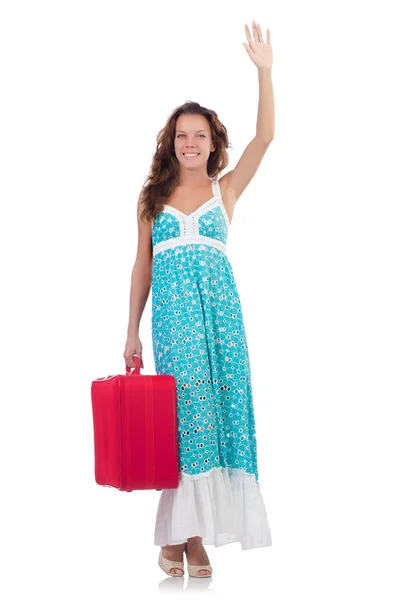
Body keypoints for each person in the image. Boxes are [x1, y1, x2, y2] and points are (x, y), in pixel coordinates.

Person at [123, 21, 274, 578]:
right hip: (175, 322)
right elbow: (142, 266)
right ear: (172, 141)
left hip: (223, 321)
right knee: (186, 424)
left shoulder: (224, 190)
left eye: (200, 136)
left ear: (213, 143)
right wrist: (131, 331)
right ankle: (187, 540)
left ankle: (183, 540)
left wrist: (265, 72)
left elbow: (266, 139)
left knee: (221, 417)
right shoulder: (151, 198)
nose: (190, 143)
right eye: (182, 135)